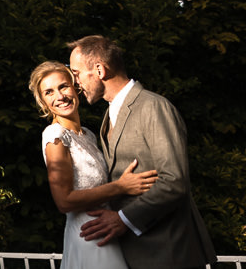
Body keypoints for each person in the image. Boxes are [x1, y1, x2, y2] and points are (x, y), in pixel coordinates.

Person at [67, 35, 217, 269]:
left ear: (99, 70)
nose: (75, 83)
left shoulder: (153, 107)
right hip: (132, 254)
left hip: (169, 253)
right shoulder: (108, 115)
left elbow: (174, 181)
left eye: (76, 73)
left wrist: (123, 219)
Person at [29, 60, 158, 269]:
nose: (60, 96)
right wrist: (121, 186)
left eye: (63, 86)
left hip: (106, 229)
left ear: (75, 87)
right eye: (49, 92)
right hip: (87, 235)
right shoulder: (55, 135)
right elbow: (63, 201)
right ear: (43, 102)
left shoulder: (88, 135)